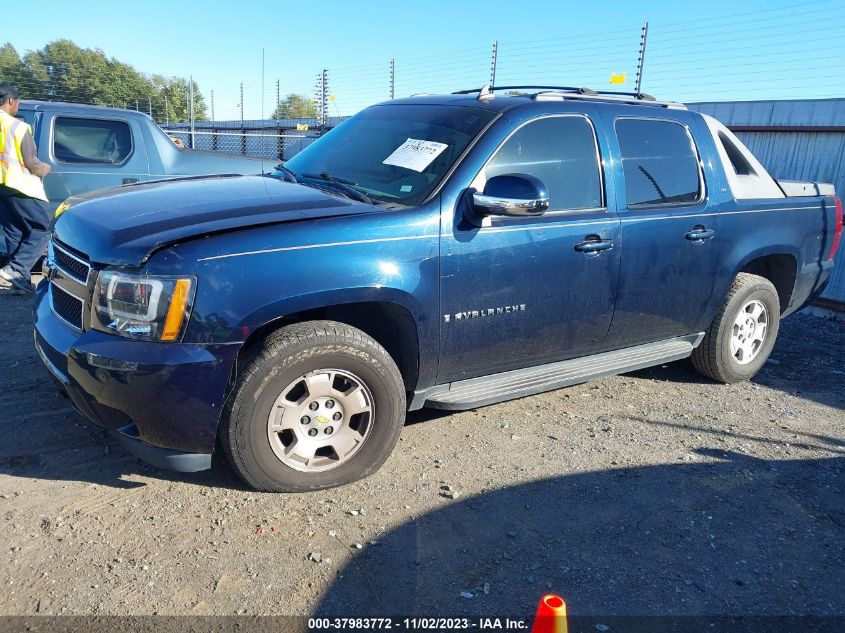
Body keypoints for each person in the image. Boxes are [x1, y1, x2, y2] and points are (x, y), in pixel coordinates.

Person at [0, 83, 51, 294]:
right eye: (17, 102)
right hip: (20, 185)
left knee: (15, 232)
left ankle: (17, 283)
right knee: (45, 226)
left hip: (2, 187)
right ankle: (16, 269)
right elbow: (31, 162)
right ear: (11, 101)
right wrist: (45, 168)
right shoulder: (17, 127)